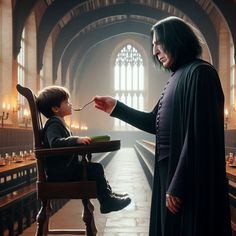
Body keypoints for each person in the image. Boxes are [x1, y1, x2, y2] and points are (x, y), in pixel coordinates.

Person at [93, 16, 232, 235]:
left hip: (187, 176)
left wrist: (178, 184)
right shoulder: (176, 78)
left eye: (159, 43)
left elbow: (198, 135)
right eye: (153, 46)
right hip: (169, 170)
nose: (155, 51)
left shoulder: (200, 74)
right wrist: (116, 107)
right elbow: (153, 122)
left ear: (176, 39)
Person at [36, 85, 131, 214]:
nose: (70, 104)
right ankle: (107, 202)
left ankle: (108, 195)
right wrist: (76, 140)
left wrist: (77, 140)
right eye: (66, 102)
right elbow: (55, 143)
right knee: (96, 168)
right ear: (55, 108)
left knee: (95, 168)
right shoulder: (53, 123)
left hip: (66, 170)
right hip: (61, 173)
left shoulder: (59, 122)